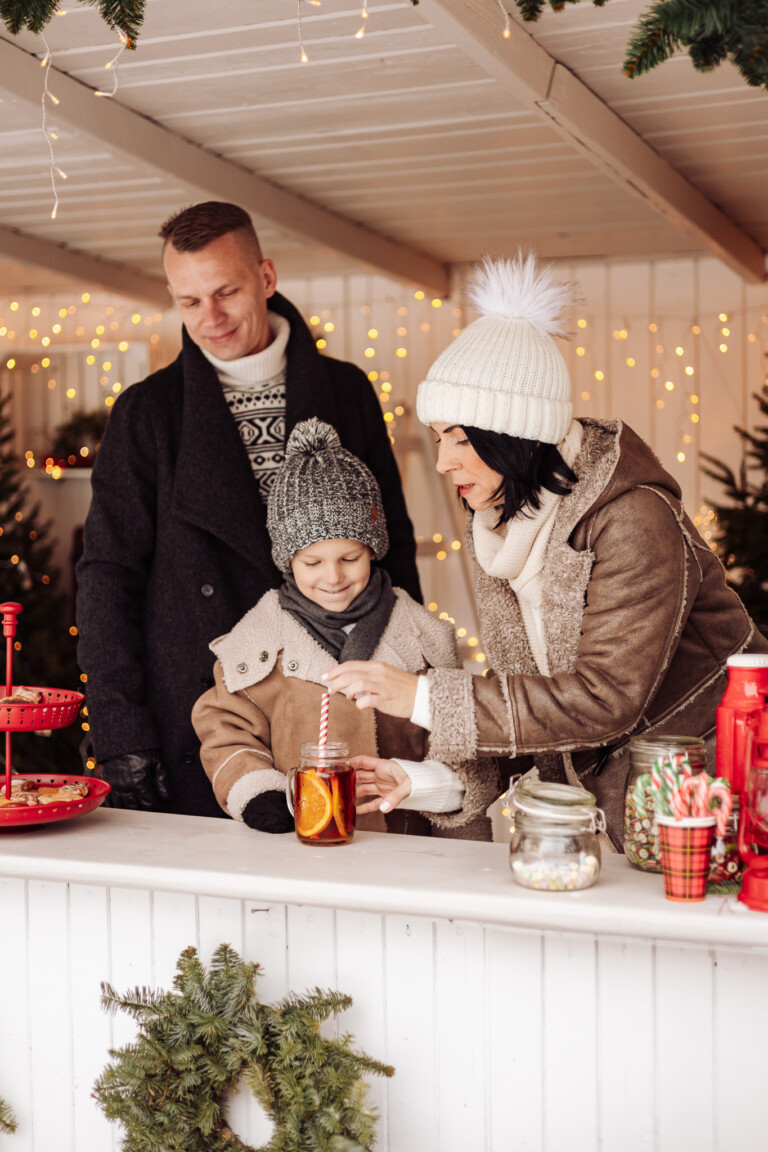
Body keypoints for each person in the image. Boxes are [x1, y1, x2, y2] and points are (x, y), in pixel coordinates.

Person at [323, 252, 768, 847]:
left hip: (716, 797)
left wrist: (422, 696)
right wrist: (426, 778)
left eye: (458, 438)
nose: (441, 461)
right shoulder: (504, 525)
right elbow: (533, 703)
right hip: (626, 812)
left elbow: (604, 697)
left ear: (515, 438)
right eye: (437, 439)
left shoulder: (634, 519)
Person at [76, 202, 421, 818]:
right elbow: (108, 576)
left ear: (265, 278)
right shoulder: (148, 413)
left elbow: (391, 548)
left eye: (225, 292)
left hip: (330, 705)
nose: (209, 318)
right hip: (197, 715)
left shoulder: (346, 393)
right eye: (188, 301)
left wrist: (409, 693)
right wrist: (119, 729)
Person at [191, 419, 495, 839]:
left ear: (373, 549)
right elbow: (224, 728)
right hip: (300, 847)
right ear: (287, 560)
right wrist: (259, 791)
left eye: (350, 558)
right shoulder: (257, 643)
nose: (332, 577)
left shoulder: (425, 638)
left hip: (404, 851)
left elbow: (458, 744)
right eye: (312, 563)